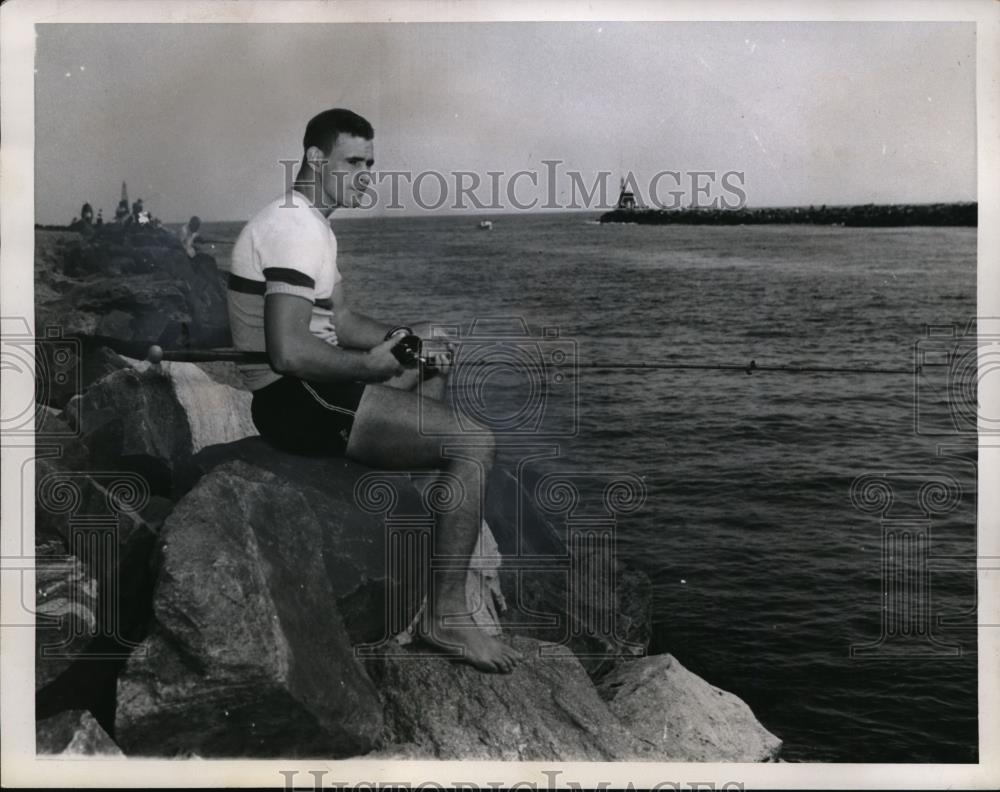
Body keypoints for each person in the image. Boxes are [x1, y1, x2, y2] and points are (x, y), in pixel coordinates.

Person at [228, 108, 521, 674]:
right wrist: (367, 368)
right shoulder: (293, 228)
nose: (367, 174)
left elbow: (338, 319)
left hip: (313, 387)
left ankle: (409, 516)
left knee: (431, 364)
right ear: (316, 159)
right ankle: (446, 615)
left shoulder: (311, 223)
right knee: (474, 444)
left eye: (371, 163)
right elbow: (289, 351)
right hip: (295, 399)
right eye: (354, 161)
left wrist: (405, 337)